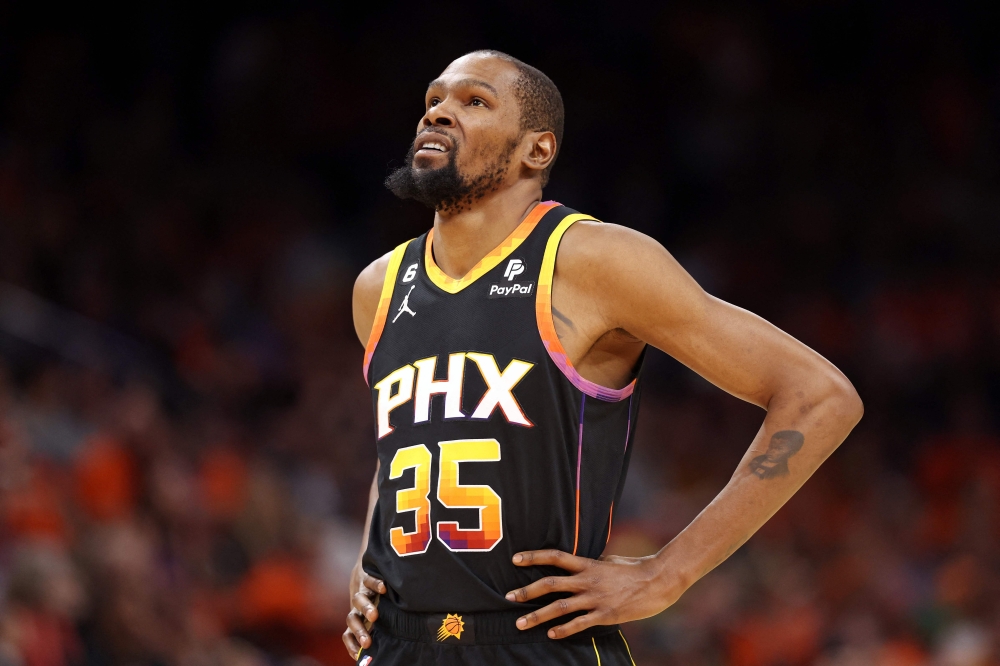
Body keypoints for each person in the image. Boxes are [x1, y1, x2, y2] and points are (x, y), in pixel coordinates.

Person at [344, 50, 863, 665]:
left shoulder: (593, 260)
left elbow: (820, 396)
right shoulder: (377, 287)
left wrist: (666, 575)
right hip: (400, 644)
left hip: (539, 641)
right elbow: (406, 442)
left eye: (474, 102)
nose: (439, 114)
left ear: (536, 151)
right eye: (434, 101)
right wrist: (364, 559)